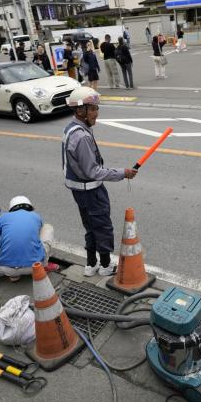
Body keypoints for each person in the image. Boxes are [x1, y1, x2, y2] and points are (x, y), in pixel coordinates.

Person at [62, 86, 137, 276]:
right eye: (93, 108)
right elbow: (93, 171)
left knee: (90, 226)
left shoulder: (71, 128)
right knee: (102, 226)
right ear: (80, 110)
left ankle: (91, 264)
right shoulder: (82, 136)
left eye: (96, 108)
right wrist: (123, 173)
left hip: (78, 191)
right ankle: (105, 266)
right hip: (91, 191)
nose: (97, 112)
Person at [0, 195, 54, 281]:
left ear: (11, 208)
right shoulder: (35, 216)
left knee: (4, 239)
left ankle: (14, 276)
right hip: (35, 266)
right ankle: (43, 266)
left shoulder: (2, 218)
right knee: (48, 227)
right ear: (29, 207)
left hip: (5, 268)